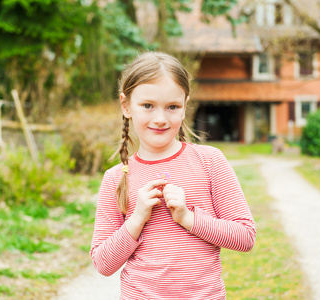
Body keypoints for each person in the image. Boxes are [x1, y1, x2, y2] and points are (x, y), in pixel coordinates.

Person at [90, 51, 256, 299]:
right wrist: (136, 220)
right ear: (126, 106)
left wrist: (188, 218)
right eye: (147, 106)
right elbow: (103, 264)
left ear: (185, 106)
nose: (160, 119)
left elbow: (245, 236)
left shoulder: (210, 161)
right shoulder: (115, 178)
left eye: (172, 107)